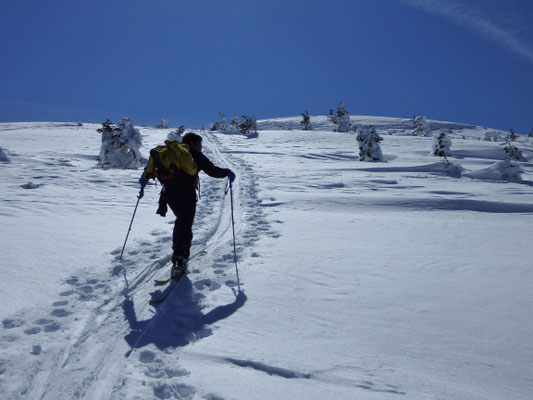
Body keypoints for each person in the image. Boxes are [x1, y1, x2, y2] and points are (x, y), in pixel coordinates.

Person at [140, 132, 235, 279]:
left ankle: (178, 250)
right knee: (184, 225)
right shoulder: (193, 155)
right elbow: (212, 170)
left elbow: (151, 170)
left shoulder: (169, 153)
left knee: (181, 222)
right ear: (192, 143)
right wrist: (227, 173)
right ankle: (179, 259)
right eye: (200, 144)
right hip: (186, 195)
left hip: (169, 196)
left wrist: (144, 179)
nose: (201, 148)